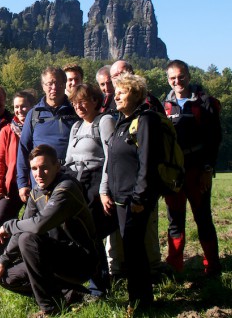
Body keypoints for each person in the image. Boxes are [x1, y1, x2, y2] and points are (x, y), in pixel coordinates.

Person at [0, 144, 99, 316]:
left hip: (80, 261)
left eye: (44, 168)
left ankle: (50, 309)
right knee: (6, 277)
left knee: (28, 239)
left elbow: (39, 225)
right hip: (52, 256)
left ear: (57, 166)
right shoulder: (37, 192)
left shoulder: (66, 188)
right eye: (34, 168)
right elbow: (24, 225)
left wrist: (9, 225)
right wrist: (3, 261)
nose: (38, 174)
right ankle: (72, 294)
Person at [102, 74, 162, 309]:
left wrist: (140, 197)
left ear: (136, 95)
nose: (115, 95)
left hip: (134, 200)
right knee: (130, 249)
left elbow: (147, 161)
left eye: (122, 92)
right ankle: (136, 298)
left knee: (135, 251)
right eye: (116, 91)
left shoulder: (146, 120)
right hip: (120, 200)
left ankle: (141, 302)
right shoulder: (122, 122)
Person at [162, 60, 222, 276]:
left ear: (188, 75)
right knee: (175, 220)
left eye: (181, 76)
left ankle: (212, 267)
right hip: (174, 174)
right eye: (172, 78)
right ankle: (174, 268)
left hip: (197, 171)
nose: (177, 81)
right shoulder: (164, 105)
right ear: (167, 80)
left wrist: (208, 169)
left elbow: (214, 139)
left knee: (203, 218)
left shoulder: (204, 102)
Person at [65, 83, 117, 297]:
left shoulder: (104, 121)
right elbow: (68, 160)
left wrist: (104, 190)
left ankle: (100, 287)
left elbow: (111, 158)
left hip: (95, 184)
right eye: (75, 103)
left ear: (95, 100)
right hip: (76, 184)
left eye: (83, 101)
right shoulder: (76, 127)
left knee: (92, 234)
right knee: (75, 233)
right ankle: (78, 282)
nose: (79, 106)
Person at [16, 67, 79, 203]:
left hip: (68, 178)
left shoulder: (76, 111)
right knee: (41, 221)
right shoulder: (34, 114)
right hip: (40, 180)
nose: (54, 87)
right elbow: (23, 148)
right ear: (43, 86)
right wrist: (22, 183)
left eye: (58, 83)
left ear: (64, 84)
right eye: (49, 83)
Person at [0, 90, 37, 258]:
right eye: (16, 107)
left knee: (29, 225)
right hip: (12, 188)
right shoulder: (7, 131)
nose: (20, 110)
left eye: (24, 106)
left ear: (32, 107)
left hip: (35, 186)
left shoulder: (39, 128)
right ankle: (0, 262)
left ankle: (27, 260)